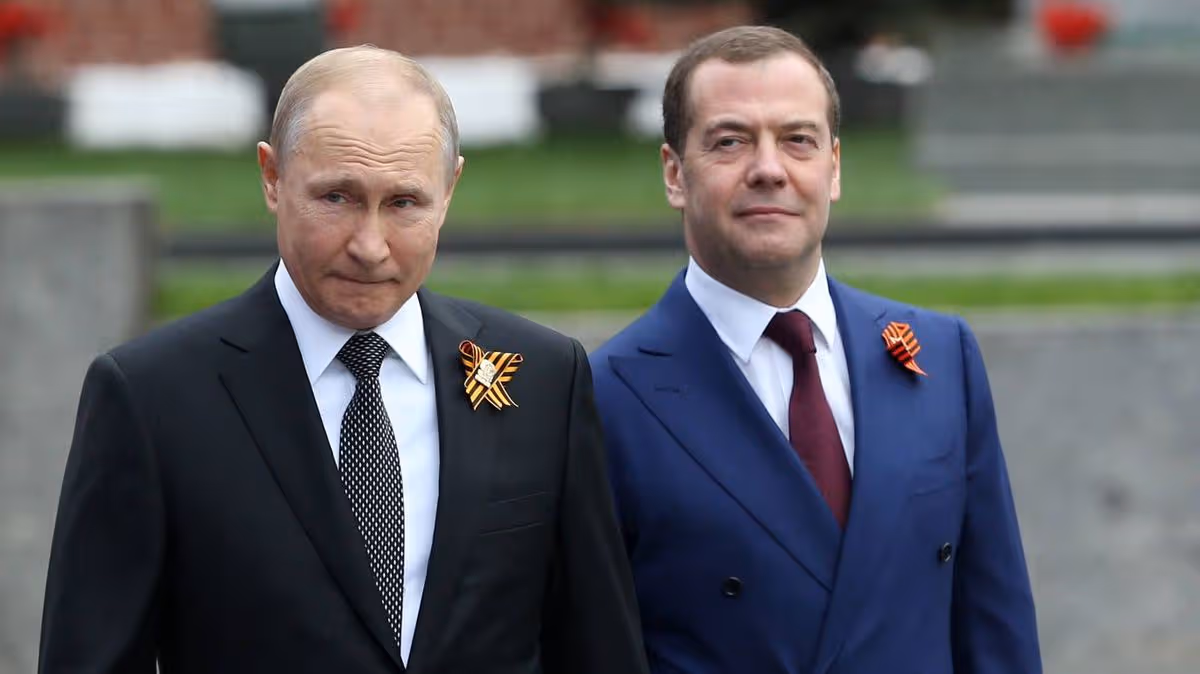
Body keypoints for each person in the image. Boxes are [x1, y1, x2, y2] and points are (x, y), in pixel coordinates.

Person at [40, 45, 648, 674]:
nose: (369, 245)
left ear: (449, 190)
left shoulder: (542, 379)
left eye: (404, 203)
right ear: (272, 178)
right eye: (337, 197)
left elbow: (597, 646)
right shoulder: (153, 397)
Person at [590, 26, 1041, 673]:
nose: (768, 169)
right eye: (729, 141)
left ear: (834, 168)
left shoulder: (942, 358)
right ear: (674, 174)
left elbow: (996, 630)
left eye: (797, 140)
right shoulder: (606, 397)